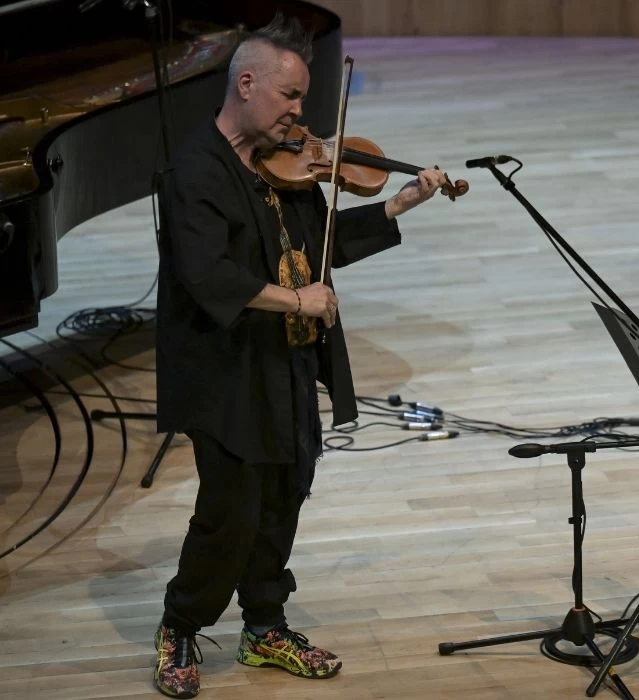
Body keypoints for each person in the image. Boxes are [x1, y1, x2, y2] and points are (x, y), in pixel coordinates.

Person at [150, 14, 446, 698]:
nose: (299, 114)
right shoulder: (193, 171)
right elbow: (208, 275)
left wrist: (398, 203)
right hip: (223, 370)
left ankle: (265, 625)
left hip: (285, 363)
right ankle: (181, 624)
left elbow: (319, 250)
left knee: (287, 492)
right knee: (232, 510)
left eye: (303, 99)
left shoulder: (285, 169)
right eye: (289, 97)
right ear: (246, 83)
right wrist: (298, 302)